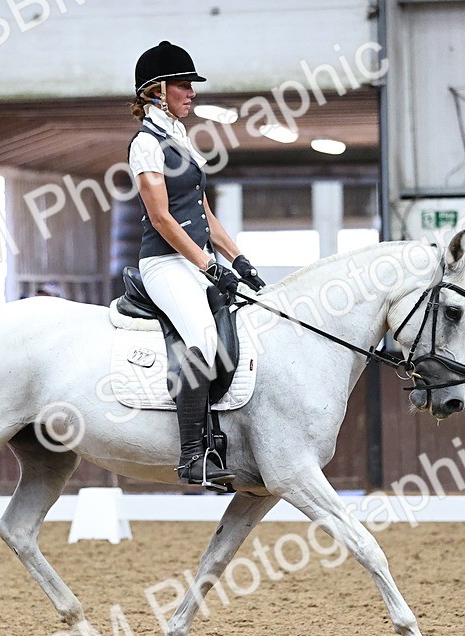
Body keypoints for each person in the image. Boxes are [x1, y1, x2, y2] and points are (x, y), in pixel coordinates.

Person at [128, 41, 265, 489]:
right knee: (204, 344)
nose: (190, 92)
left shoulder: (179, 137)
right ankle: (193, 456)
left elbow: (202, 211)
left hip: (195, 259)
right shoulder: (146, 146)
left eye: (190, 85)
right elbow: (163, 219)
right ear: (155, 91)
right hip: (165, 263)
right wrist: (210, 266)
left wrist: (239, 259)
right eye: (182, 85)